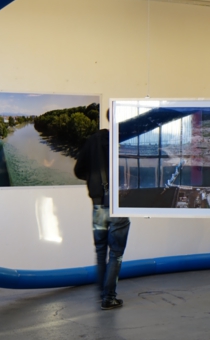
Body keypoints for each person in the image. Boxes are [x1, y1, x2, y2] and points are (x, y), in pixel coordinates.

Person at [74, 111, 131, 311]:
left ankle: (102, 294)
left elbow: (78, 170)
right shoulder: (125, 141)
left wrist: (94, 180)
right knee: (116, 254)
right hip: (118, 206)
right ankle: (109, 297)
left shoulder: (93, 141)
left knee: (100, 251)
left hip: (98, 205)